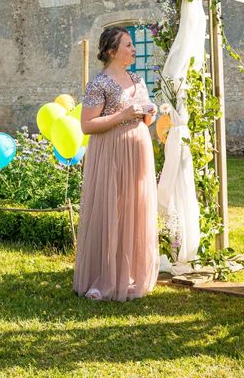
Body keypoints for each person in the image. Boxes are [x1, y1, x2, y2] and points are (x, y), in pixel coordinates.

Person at [73, 26, 160, 301]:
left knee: (136, 208)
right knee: (111, 209)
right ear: (112, 51)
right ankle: (103, 278)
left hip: (138, 149)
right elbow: (87, 125)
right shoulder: (99, 83)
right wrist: (123, 114)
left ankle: (131, 274)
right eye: (128, 45)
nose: (133, 49)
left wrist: (150, 114)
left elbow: (144, 115)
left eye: (133, 45)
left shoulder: (136, 78)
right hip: (109, 151)